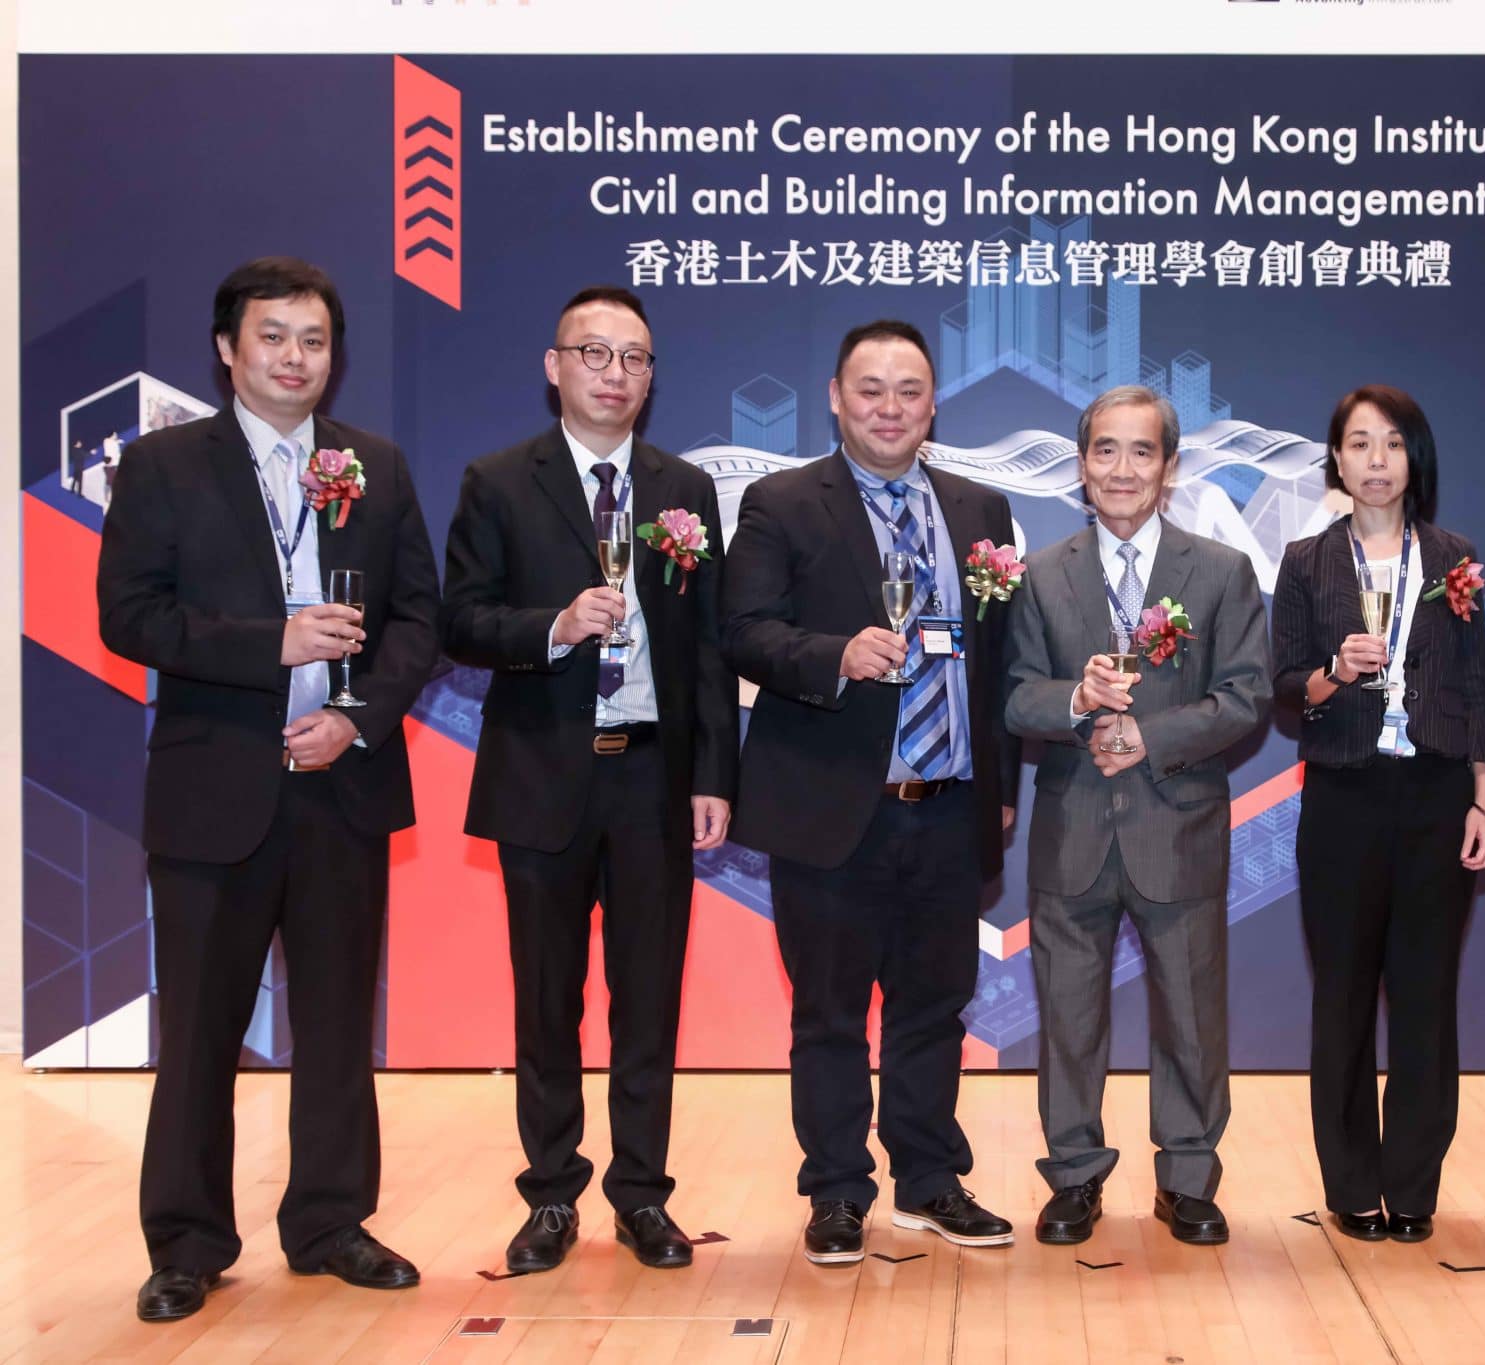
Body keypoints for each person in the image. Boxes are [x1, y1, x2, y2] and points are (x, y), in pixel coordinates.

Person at [98, 256, 441, 1321]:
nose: (295, 358)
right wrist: (271, 643)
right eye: (273, 337)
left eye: (314, 340)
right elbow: (129, 618)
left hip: (339, 787)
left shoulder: (372, 465)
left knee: (338, 1022)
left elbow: (417, 621)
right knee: (200, 1027)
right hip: (215, 792)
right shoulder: (163, 466)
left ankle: (331, 1220)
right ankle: (188, 1241)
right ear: (226, 348)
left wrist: (354, 719)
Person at [441, 285, 738, 1273]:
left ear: (652, 376)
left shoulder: (683, 488)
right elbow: (460, 621)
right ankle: (550, 1196)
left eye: (635, 359)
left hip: (653, 776)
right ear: (553, 364)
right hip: (543, 777)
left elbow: (705, 647)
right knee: (546, 999)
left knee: (647, 999)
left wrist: (712, 775)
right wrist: (554, 628)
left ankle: (643, 1196)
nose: (616, 375)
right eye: (596, 354)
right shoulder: (498, 481)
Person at [720, 319, 1019, 1265]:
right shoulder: (781, 504)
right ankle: (838, 1189)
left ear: (935, 404)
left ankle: (930, 1180)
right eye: (871, 389)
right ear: (838, 400)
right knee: (832, 1011)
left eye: (909, 390)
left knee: (936, 1005)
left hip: (949, 801)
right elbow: (743, 632)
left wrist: (999, 786)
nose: (890, 407)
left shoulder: (981, 510)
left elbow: (1001, 660)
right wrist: (833, 656)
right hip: (831, 805)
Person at [1005, 385, 1273, 1246]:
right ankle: (1074, 1174)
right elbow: (1014, 696)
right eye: (1104, 451)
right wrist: (1078, 702)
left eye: (1142, 452)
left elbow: (1245, 698)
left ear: (1171, 467)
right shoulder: (1041, 574)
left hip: (1178, 823)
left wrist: (1148, 735)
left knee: (1192, 1015)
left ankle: (1189, 1177)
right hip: (1073, 827)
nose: (1122, 469)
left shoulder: (1221, 570)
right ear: (1081, 467)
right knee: (1069, 1016)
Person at [1271, 385, 1485, 1243]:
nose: (1375, 460)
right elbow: (1286, 688)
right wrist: (1335, 670)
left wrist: (1484, 795)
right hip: (1344, 796)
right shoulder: (1306, 561)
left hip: (1438, 793)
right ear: (1336, 460)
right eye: (1358, 444)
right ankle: (1352, 1184)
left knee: (1426, 998)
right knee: (1343, 997)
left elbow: (1474, 688)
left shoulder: (1455, 558)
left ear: (1415, 459)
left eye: (1392, 443)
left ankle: (1413, 1186)